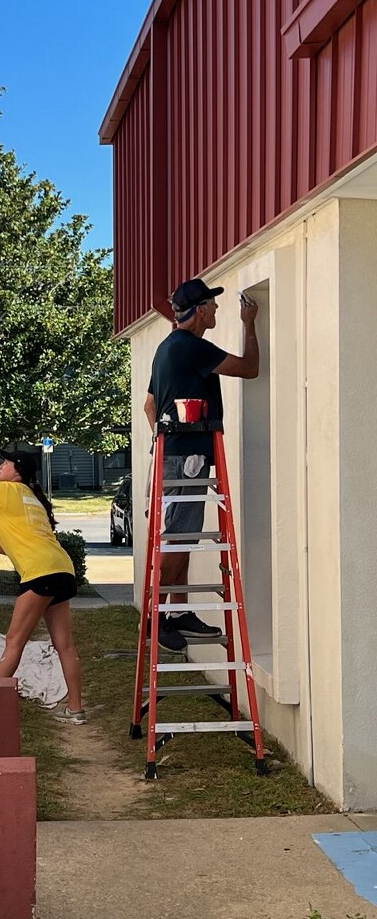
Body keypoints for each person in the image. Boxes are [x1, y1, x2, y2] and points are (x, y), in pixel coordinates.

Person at [143, 277, 259, 652]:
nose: (217, 310)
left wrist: (165, 441)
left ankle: (177, 614)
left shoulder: (166, 348)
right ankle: (157, 617)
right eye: (212, 304)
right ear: (198, 311)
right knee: (179, 539)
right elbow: (249, 368)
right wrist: (249, 324)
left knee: (182, 535)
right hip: (188, 458)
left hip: (172, 454)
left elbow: (149, 406)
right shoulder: (192, 348)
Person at [0, 451, 86, 724]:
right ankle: (76, 709)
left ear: (17, 470)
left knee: (13, 641)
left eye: (5, 462)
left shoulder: (9, 490)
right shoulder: (32, 497)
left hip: (41, 572)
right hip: (62, 568)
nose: (0, 465)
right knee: (65, 646)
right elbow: (10, 546)